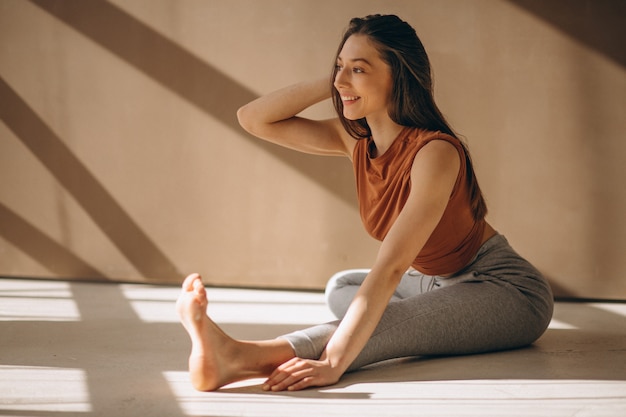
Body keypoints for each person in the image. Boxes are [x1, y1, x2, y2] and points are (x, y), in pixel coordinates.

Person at [176, 14, 554, 392]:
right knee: (343, 287)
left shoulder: (435, 152)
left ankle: (241, 357)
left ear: (398, 75)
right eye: (339, 66)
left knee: (390, 317)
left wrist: (335, 363)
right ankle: (416, 321)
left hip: (504, 289)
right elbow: (253, 118)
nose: (342, 80)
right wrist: (337, 81)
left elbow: (390, 268)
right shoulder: (355, 140)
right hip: (432, 284)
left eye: (359, 69)